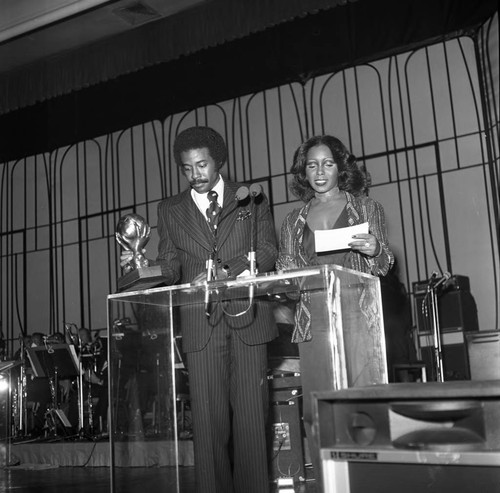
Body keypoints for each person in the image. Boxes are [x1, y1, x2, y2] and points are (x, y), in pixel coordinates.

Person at [120, 126, 278, 493]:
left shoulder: (249, 197)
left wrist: (230, 269)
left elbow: (268, 251)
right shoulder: (170, 210)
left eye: (202, 165)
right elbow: (171, 263)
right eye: (187, 168)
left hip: (248, 315)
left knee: (253, 422)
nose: (196, 174)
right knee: (208, 426)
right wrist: (142, 267)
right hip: (199, 322)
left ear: (218, 161)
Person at [276, 134, 394, 488]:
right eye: (312, 165)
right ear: (304, 172)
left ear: (341, 168)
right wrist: (285, 276)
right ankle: (328, 480)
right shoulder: (292, 221)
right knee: (318, 407)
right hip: (313, 321)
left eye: (328, 163)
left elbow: (385, 263)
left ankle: (369, 475)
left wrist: (375, 248)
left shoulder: (366, 207)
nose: (320, 171)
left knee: (360, 402)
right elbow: (288, 276)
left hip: (358, 317)